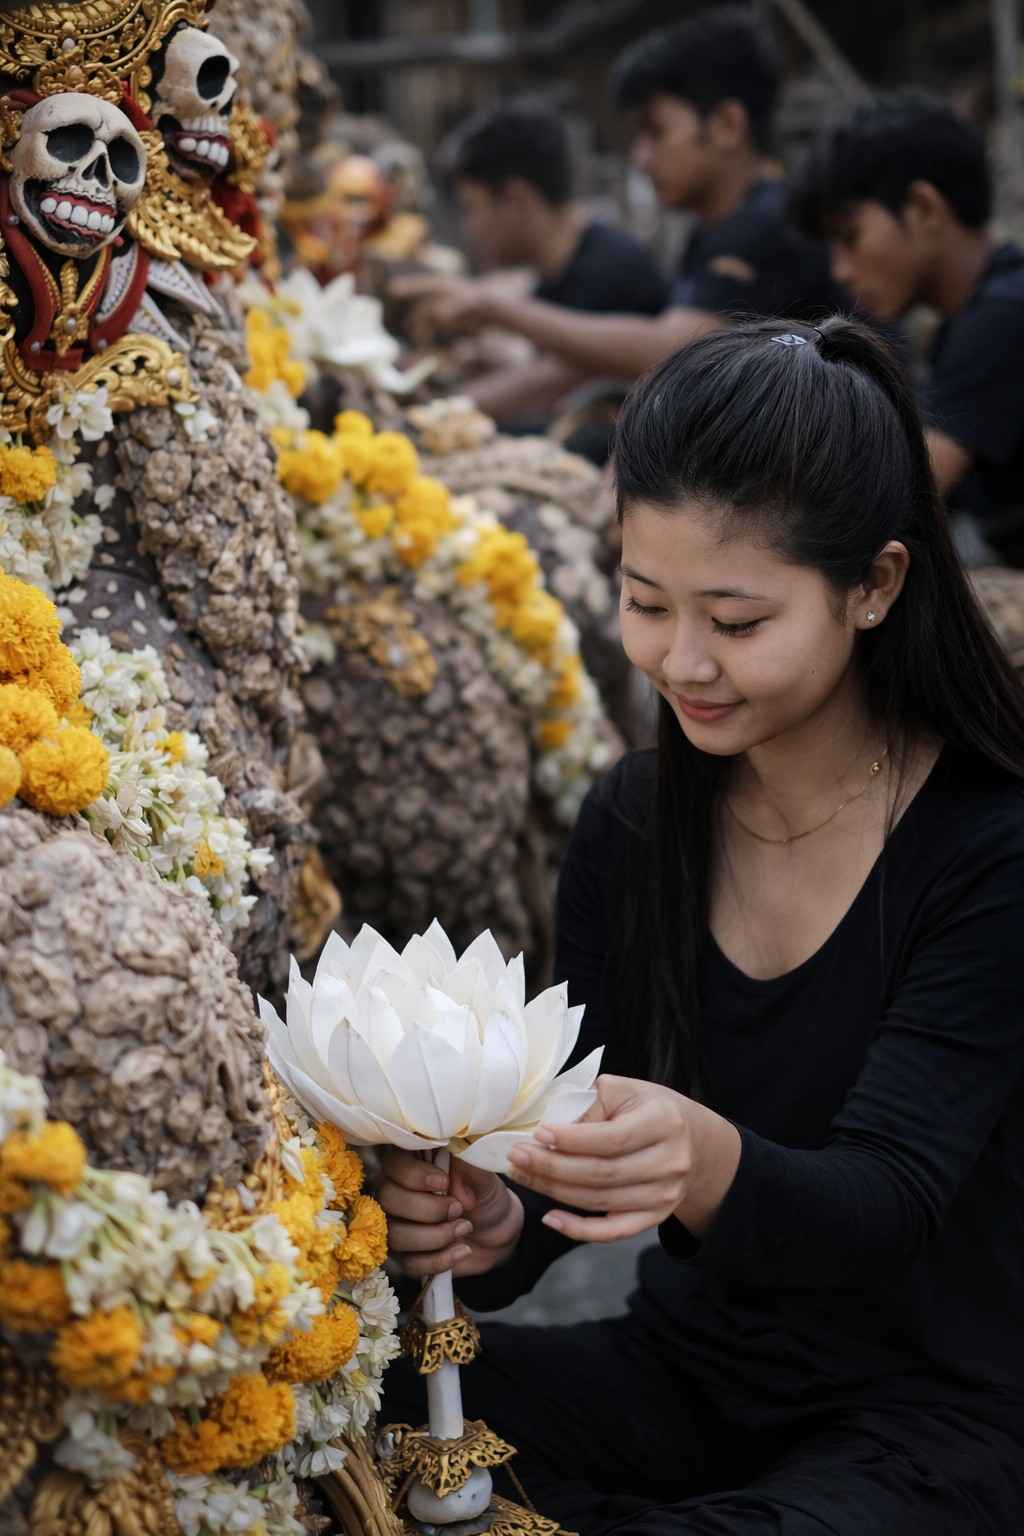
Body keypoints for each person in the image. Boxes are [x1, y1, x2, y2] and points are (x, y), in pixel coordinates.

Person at [377, 317, 1024, 1534]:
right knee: (365, 1402)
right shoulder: (635, 819)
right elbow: (560, 1137)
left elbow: (886, 1206)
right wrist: (498, 1217)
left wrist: (702, 1157)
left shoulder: (986, 846)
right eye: (643, 602)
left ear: (873, 586)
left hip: (932, 1412)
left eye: (735, 622)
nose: (682, 663)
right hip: (694, 1371)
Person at [394, 7, 844, 384]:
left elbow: (673, 351)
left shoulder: (766, 223)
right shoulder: (714, 232)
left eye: (656, 132)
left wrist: (495, 307)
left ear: (728, 125)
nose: (642, 159)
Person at [792, 92, 1024, 566]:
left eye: (849, 237)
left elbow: (888, 502)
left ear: (923, 208)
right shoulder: (973, 316)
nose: (839, 269)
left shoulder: (1003, 318)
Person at [435, 99, 669, 428]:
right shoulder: (556, 270)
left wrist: (443, 409)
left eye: (471, 207)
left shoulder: (611, 269)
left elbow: (561, 377)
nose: (469, 227)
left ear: (517, 199)